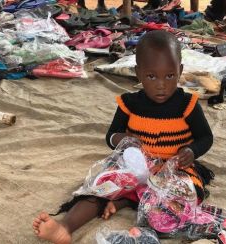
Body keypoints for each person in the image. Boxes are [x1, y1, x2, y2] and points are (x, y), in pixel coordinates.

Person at [32, 30, 214, 244]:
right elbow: (111, 136)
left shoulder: (188, 105)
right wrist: (120, 140)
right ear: (138, 73)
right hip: (135, 168)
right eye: (152, 76)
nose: (161, 84)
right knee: (99, 190)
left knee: (186, 196)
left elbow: (206, 137)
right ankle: (65, 227)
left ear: (180, 70)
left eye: (170, 75)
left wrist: (192, 151)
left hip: (174, 170)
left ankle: (128, 202)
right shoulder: (128, 104)